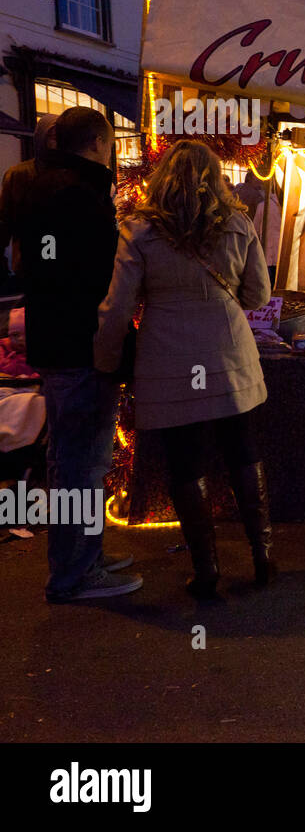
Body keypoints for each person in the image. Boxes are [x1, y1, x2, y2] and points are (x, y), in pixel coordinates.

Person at [95, 141, 274, 598]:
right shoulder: (237, 222)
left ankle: (207, 569)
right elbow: (258, 294)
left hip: (169, 359)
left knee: (186, 464)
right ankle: (263, 556)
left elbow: (118, 307)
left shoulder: (138, 229)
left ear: (162, 178)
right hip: (229, 354)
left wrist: (106, 358)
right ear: (215, 177)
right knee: (243, 452)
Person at [16, 106, 142, 602]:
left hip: (55, 340)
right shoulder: (82, 197)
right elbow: (99, 278)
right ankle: (73, 575)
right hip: (80, 346)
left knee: (67, 458)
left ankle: (80, 557)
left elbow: (39, 265)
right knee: (82, 462)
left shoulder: (39, 189)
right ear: (98, 143)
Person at [0, 111, 60, 281]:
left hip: (65, 263)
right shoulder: (19, 175)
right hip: (29, 260)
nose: (55, 141)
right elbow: (5, 219)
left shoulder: (72, 173)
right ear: (41, 137)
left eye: (59, 136)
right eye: (51, 135)